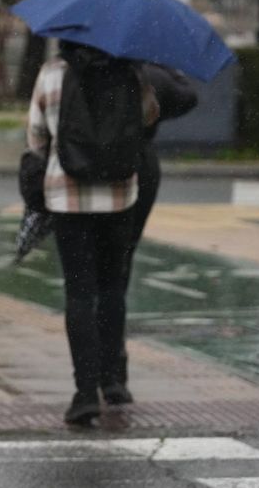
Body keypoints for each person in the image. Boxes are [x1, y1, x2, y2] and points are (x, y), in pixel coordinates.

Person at [26, 42, 158, 425]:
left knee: (79, 292)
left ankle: (84, 393)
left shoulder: (53, 72)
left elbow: (36, 137)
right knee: (112, 287)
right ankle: (113, 380)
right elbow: (149, 118)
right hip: (119, 195)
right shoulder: (129, 71)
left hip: (67, 197)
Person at [105, 64, 198, 399]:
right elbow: (185, 98)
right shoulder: (140, 74)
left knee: (82, 283)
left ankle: (85, 386)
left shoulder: (59, 73)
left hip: (75, 175)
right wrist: (165, 67)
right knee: (117, 271)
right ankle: (113, 373)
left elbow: (38, 134)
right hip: (134, 168)